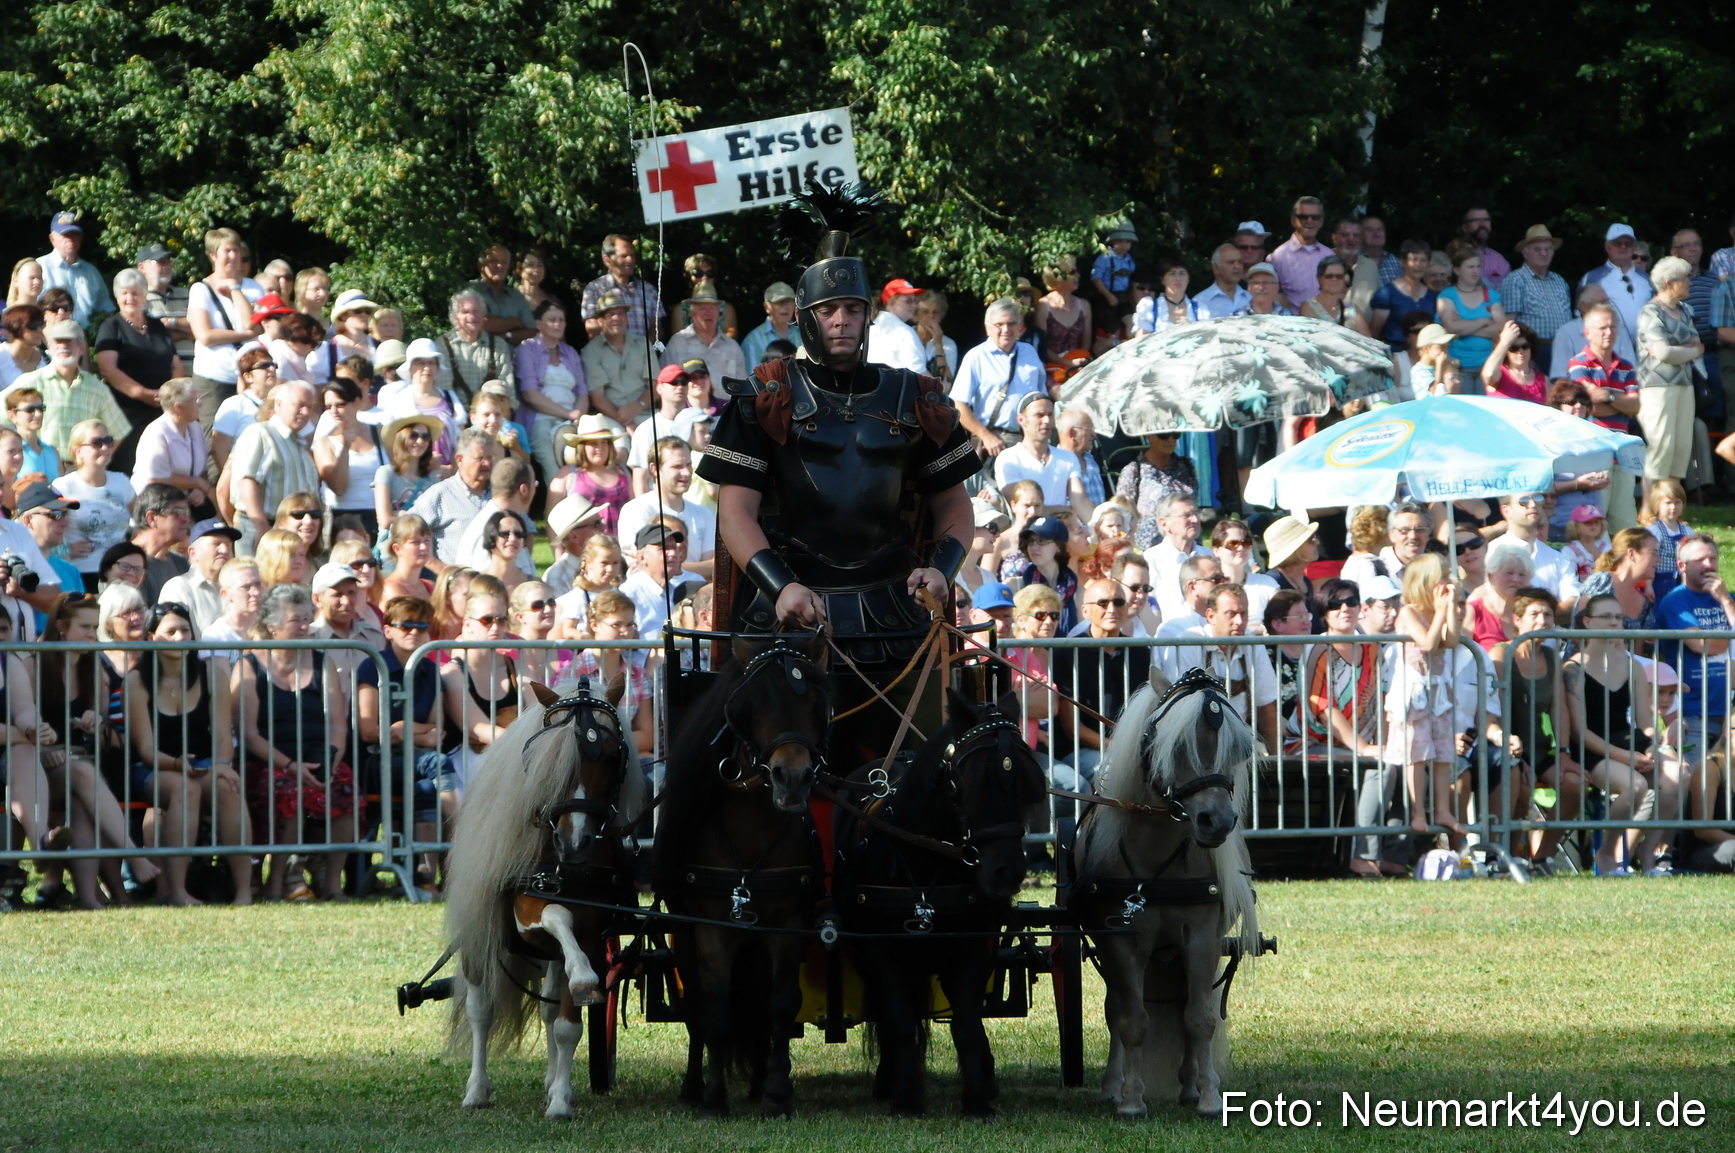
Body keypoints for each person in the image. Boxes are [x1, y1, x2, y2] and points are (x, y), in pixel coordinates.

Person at [695, 187, 977, 764]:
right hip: (790, 605)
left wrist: (943, 570)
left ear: (868, 316)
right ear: (805, 319)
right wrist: (782, 587)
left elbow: (955, 505)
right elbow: (735, 513)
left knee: (917, 768)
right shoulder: (764, 397)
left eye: (852, 309)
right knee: (765, 771)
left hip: (894, 608)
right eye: (829, 311)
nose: (842, 321)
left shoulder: (915, 396)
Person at [234, 583, 353, 900]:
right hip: (269, 762)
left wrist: (331, 764)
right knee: (291, 792)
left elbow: (339, 727)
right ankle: (277, 882)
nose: (304, 626)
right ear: (272, 627)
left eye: (306, 618)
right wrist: (290, 765)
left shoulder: (322, 663)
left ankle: (332, 884)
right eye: (295, 620)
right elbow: (248, 734)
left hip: (320, 758)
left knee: (346, 788)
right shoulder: (248, 667)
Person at [123, 602, 245, 905]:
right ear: (151, 637)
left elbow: (221, 734)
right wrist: (178, 764)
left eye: (185, 630)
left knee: (228, 787)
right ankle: (177, 890)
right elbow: (147, 750)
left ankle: (245, 889)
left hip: (202, 764)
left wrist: (221, 765)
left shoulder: (212, 673)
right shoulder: (136, 681)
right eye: (170, 631)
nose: (179, 638)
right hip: (153, 768)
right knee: (184, 788)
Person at [1565, 595, 1680, 874]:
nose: (1614, 622)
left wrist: (1653, 746)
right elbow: (1580, 732)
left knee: (1679, 775)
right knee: (1635, 786)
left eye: (1618, 617)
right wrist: (1626, 757)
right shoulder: (1573, 669)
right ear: (1588, 623)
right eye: (1606, 617)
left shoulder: (1633, 667)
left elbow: (1645, 722)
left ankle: (1649, 852)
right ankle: (1606, 854)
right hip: (1593, 748)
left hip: (1631, 742)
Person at [356, 594, 452, 886]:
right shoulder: (372, 667)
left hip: (418, 763)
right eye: (406, 625)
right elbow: (370, 732)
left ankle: (424, 878)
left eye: (422, 627)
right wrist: (414, 733)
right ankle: (465, 830)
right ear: (388, 631)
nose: (414, 632)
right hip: (378, 763)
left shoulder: (430, 670)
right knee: (441, 762)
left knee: (426, 788)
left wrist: (403, 727)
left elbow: (439, 732)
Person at [1490, 588, 1580, 869]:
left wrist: (1564, 754)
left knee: (1575, 785)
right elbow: (1498, 709)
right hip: (1508, 745)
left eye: (1548, 614)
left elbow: (1559, 710)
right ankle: (1508, 856)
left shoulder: (1552, 658)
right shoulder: (1501, 654)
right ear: (1517, 620)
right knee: (1522, 790)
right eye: (1535, 614)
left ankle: (1542, 856)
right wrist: (1518, 757)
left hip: (1541, 748)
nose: (1542, 620)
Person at [1382, 552, 1464, 838]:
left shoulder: (1441, 610)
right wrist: (1441, 612)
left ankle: (1442, 809)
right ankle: (1418, 812)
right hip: (1413, 692)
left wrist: (1450, 608)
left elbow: (1451, 641)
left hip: (1438, 690)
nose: (1447, 581)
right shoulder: (1408, 611)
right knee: (1417, 754)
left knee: (1443, 752)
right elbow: (1428, 643)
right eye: (1442, 576)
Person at [1050, 578, 1151, 790]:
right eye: (1103, 603)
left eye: (1119, 602)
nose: (1112, 609)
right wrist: (1119, 748)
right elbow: (1072, 728)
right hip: (1078, 750)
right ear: (1085, 611)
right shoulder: (1067, 653)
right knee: (1117, 769)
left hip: (1130, 748)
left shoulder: (1140, 652)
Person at [1168, 582, 1280, 750]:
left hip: (1242, 737)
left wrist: (1277, 761)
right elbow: (1181, 709)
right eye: (1231, 614)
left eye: (1244, 613)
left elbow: (1266, 705)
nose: (1239, 621)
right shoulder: (1188, 642)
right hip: (1195, 740)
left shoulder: (1252, 643)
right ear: (1211, 616)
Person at [1656, 534, 1734, 763]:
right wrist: (1730, 638)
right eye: (1700, 560)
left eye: (1713, 558)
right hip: (1693, 711)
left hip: (1730, 711)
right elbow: (1700, 644)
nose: (1708, 565)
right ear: (1682, 566)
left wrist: (1726, 601)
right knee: (1693, 779)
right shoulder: (1675, 601)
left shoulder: (1729, 600)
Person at [440, 586, 522, 793]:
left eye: (501, 619)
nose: (495, 626)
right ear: (468, 624)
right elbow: (477, 729)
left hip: (513, 752)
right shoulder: (452, 673)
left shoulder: (516, 667)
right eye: (487, 620)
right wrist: (527, 741)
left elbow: (539, 709)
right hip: (469, 761)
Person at [1634, 255, 1703, 498]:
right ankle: (1647, 507)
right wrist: (1688, 351)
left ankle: (1669, 504)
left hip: (1685, 385)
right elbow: (1663, 353)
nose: (1690, 283)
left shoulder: (1683, 310)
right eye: (1685, 278)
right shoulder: (1650, 312)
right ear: (1669, 282)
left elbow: (1697, 346)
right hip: (1656, 387)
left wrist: (1678, 351)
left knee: (1681, 447)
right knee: (1661, 445)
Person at [22, 320, 134, 464]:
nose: (63, 346)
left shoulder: (96, 388)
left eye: (69, 341)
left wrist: (97, 462)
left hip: (79, 471)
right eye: (58, 341)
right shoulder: (31, 382)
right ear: (49, 347)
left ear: (81, 348)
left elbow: (119, 431)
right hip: (40, 469)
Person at [185, 228, 265, 430]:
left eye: (236, 250)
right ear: (213, 255)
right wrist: (246, 335)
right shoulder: (200, 289)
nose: (233, 256)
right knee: (213, 437)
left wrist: (234, 289)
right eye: (227, 251)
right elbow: (205, 335)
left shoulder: (254, 287)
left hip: (251, 375)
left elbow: (253, 324)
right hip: (214, 378)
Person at [228, 380, 319, 555]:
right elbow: (247, 480)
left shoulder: (299, 444)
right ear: (278, 404)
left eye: (309, 407)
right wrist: (261, 526)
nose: (305, 412)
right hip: (262, 527)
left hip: (291, 531)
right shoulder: (260, 433)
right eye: (299, 405)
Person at [950, 298, 1046, 456]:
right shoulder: (976, 357)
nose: (1006, 329)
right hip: (994, 443)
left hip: (1030, 441)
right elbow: (957, 405)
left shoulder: (1029, 352)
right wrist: (985, 436)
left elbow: (1042, 397)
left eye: (1011, 323)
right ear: (988, 328)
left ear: (1020, 327)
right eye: (999, 324)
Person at [513, 299, 587, 483]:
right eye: (552, 320)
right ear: (539, 324)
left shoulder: (570, 353)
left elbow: (583, 392)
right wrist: (568, 413)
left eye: (561, 320)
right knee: (553, 467)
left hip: (571, 419)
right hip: (540, 419)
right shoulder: (527, 349)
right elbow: (530, 395)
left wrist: (578, 415)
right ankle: (558, 509)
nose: (558, 324)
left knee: (579, 464)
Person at [408, 428, 499, 564]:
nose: (487, 463)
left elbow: (526, 531)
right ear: (460, 459)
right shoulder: (440, 494)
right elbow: (404, 532)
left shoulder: (500, 493)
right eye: (480, 458)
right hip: (457, 580)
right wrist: (440, 570)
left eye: (490, 457)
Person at [992, 395, 1090, 518]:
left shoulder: (1068, 458)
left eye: (1050, 415)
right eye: (1039, 415)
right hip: (1028, 535)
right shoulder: (1008, 458)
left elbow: (1080, 501)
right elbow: (1022, 508)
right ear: (1021, 420)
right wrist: (1066, 510)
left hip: (1062, 534)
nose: (1047, 421)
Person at [125, 376, 211, 516]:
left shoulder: (196, 428)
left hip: (185, 507)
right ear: (178, 407)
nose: (200, 404)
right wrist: (196, 482)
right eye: (195, 400)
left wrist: (199, 490)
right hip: (156, 507)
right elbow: (156, 479)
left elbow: (202, 468)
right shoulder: (156, 433)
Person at [579, 289, 652, 430]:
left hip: (645, 412)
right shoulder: (591, 351)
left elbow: (656, 385)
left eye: (621, 313)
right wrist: (628, 423)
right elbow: (597, 398)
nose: (616, 318)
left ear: (626, 317)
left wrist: (639, 405)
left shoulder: (643, 344)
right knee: (620, 451)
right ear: (600, 321)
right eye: (610, 314)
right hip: (610, 417)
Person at [1499, 226, 1572, 366]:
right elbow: (1509, 323)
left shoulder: (1560, 281)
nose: (1544, 253)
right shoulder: (1515, 280)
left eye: (1548, 249)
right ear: (1526, 253)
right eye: (1537, 249)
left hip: (1564, 349)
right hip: (1533, 351)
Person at [1488, 492, 1581, 602]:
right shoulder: (1491, 551)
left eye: (1537, 498)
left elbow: (1572, 601)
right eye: (1523, 501)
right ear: (1506, 511)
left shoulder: (1559, 559)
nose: (1533, 504)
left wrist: (1541, 613)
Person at [618, 519, 702, 639]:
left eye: (674, 547)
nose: (673, 553)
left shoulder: (680, 592)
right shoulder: (629, 593)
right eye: (663, 548)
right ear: (641, 557)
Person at [1116, 433, 1198, 551]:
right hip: (1148, 549)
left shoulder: (1186, 466)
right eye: (1163, 435)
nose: (1170, 440)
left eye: (1175, 435)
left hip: (1187, 547)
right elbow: (1121, 513)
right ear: (1148, 436)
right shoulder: (1134, 470)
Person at [157, 517, 240, 634]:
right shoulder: (179, 589)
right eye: (216, 544)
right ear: (193, 552)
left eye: (228, 545)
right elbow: (173, 641)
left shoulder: (239, 588)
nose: (225, 550)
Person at [1436, 241, 1505, 377]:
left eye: (1478, 267)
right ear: (1457, 270)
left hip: (1489, 365)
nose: (1476, 271)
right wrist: (1484, 320)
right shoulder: (1447, 295)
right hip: (1458, 365)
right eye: (1470, 267)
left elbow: (1502, 329)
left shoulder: (1490, 295)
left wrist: (1463, 329)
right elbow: (1450, 327)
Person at [437, 290, 515, 410]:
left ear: (483, 315)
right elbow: (444, 392)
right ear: (454, 317)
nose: (472, 317)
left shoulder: (498, 345)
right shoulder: (443, 345)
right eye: (465, 312)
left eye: (476, 311)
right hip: (457, 418)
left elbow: (508, 389)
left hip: (491, 417)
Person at [1581, 224, 1654, 351]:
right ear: (1607, 247)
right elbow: (1580, 317)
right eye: (1618, 243)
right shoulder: (1592, 278)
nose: (1623, 247)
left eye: (1628, 243)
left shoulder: (1648, 279)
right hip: (1609, 350)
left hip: (1647, 351)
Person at [37, 211, 116, 325]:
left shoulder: (91, 271)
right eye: (65, 234)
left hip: (85, 338)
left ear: (81, 238)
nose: (70, 239)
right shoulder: (39, 267)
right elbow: (30, 306)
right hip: (49, 337)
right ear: (52, 239)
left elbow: (106, 308)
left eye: (74, 234)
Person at [581, 234, 663, 342]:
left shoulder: (648, 290)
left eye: (632, 255)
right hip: (608, 356)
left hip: (643, 356)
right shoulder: (595, 289)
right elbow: (591, 328)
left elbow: (658, 329)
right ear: (607, 260)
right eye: (624, 256)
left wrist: (642, 350)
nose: (630, 260)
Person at [559, 414, 631, 534]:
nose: (600, 448)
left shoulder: (623, 473)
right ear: (582, 446)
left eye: (604, 442)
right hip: (585, 549)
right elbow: (554, 519)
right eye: (593, 443)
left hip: (621, 547)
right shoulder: (567, 475)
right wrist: (559, 552)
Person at [1466, 538, 1535, 651]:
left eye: (1522, 574)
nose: (1515, 579)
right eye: (1509, 573)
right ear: (1491, 576)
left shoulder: (1532, 611)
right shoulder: (1473, 610)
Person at [553, 533, 625, 640]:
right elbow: (568, 630)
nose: (610, 569)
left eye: (615, 563)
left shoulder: (620, 595)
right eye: (604, 563)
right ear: (589, 563)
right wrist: (587, 639)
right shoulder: (579, 596)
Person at [1368, 240, 1437, 350]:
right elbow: (1374, 334)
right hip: (1396, 354)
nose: (1418, 265)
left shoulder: (1430, 295)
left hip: (1425, 354)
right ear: (1403, 262)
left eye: (1423, 260)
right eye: (1414, 260)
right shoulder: (1387, 293)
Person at [465, 244, 536, 344]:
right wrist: (515, 322)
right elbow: (480, 324)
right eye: (494, 261)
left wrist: (506, 336)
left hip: (512, 358)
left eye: (504, 262)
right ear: (481, 265)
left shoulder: (516, 297)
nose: (500, 266)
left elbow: (531, 332)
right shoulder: (471, 292)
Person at [1271, 197, 1328, 309]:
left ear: (1321, 222)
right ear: (1293, 220)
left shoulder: (1329, 255)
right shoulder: (1278, 257)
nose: (1309, 221)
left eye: (1315, 217)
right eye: (1303, 217)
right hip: (1295, 323)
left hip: (1327, 324)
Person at [865, 278, 930, 374]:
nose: (914, 306)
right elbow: (919, 375)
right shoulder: (904, 332)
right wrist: (943, 386)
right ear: (891, 303)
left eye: (914, 301)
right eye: (908, 301)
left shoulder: (870, 328)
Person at [1153, 553, 1222, 640]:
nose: (1223, 584)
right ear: (1192, 587)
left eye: (1225, 579)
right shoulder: (1171, 630)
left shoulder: (1232, 622)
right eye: (1217, 579)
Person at [1300, 254, 1371, 336]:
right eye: (1329, 276)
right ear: (1319, 279)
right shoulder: (1309, 306)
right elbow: (1311, 339)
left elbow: (1369, 342)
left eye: (1339, 276)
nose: (1334, 279)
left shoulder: (1352, 309)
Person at [1479, 321, 1548, 403]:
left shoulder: (1544, 380)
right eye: (1514, 348)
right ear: (1506, 351)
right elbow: (1489, 374)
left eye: (1525, 346)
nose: (1520, 351)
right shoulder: (1500, 374)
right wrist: (1504, 342)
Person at [1262, 515, 1321, 608]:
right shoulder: (1272, 583)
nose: (1317, 542)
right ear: (1295, 549)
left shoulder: (1305, 582)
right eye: (1311, 539)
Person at [740, 282, 801, 367]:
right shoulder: (752, 340)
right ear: (767, 307)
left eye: (789, 301)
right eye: (780, 302)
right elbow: (751, 377)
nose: (785, 306)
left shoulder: (803, 334)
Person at [473, 509, 531, 593]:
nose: (513, 538)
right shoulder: (475, 586)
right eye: (505, 534)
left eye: (518, 534)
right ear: (491, 537)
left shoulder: (534, 585)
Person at [1191, 245, 1251, 320]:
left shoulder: (1251, 298)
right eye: (1231, 262)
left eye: (1240, 262)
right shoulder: (1199, 302)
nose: (1237, 266)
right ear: (1216, 268)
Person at [273, 490, 327, 569]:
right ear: (281, 523)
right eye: (299, 515)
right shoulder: (269, 562)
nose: (308, 521)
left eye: (315, 515)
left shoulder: (322, 567)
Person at [0, 303, 46, 388]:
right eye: (33, 326)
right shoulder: (2, 356)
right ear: (16, 326)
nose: (40, 330)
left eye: (41, 325)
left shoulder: (48, 358)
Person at [515, 247, 557, 314]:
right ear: (520, 269)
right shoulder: (510, 299)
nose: (536, 269)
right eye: (530, 265)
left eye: (540, 265)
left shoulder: (552, 300)